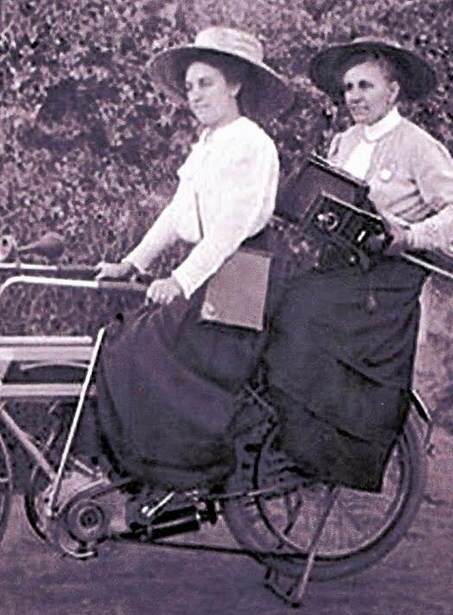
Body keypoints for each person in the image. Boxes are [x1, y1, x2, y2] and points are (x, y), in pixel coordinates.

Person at [263, 37, 453, 491]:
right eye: (348, 88)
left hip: (385, 281)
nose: (355, 97)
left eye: (366, 86)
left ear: (393, 93)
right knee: (273, 302)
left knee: (299, 314)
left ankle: (323, 457)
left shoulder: (417, 146)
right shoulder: (343, 141)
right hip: (341, 269)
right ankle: (286, 442)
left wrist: (413, 235)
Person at [93, 27, 294, 489]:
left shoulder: (250, 142)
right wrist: (132, 263)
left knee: (150, 347)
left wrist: (180, 282)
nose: (195, 95)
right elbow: (178, 211)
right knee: (130, 339)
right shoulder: (208, 143)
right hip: (219, 268)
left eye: (206, 83)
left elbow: (229, 229)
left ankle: (191, 474)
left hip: (244, 275)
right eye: (189, 87)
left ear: (235, 84)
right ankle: (149, 474)